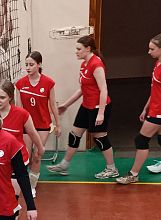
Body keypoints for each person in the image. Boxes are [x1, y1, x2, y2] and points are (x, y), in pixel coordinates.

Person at [47, 36, 119, 179]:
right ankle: (64, 166)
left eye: (79, 49)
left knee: (100, 138)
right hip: (87, 106)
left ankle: (112, 169)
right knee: (74, 135)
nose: (76, 51)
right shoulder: (84, 64)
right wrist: (66, 105)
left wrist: (100, 113)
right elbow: (82, 89)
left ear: (88, 48)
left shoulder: (96, 64)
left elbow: (104, 90)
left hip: (98, 107)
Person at [116, 33, 161, 185]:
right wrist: (146, 108)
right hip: (155, 108)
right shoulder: (158, 63)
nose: (149, 52)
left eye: (152, 49)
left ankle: (133, 174)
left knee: (141, 140)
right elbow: (156, 90)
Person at [15, 51, 61, 195]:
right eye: (26, 65)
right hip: (26, 125)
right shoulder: (20, 84)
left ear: (39, 65)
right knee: (27, 156)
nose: (28, 68)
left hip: (43, 124)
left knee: (37, 155)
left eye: (31, 64)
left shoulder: (48, 83)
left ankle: (32, 186)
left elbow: (52, 105)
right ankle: (25, 179)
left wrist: (58, 124)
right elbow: (18, 107)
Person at [0, 80, 45, 177]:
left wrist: (40, 148)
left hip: (18, 159)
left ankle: (31, 184)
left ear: (10, 97)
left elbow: (32, 133)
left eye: (2, 97)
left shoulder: (21, 114)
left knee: (17, 186)